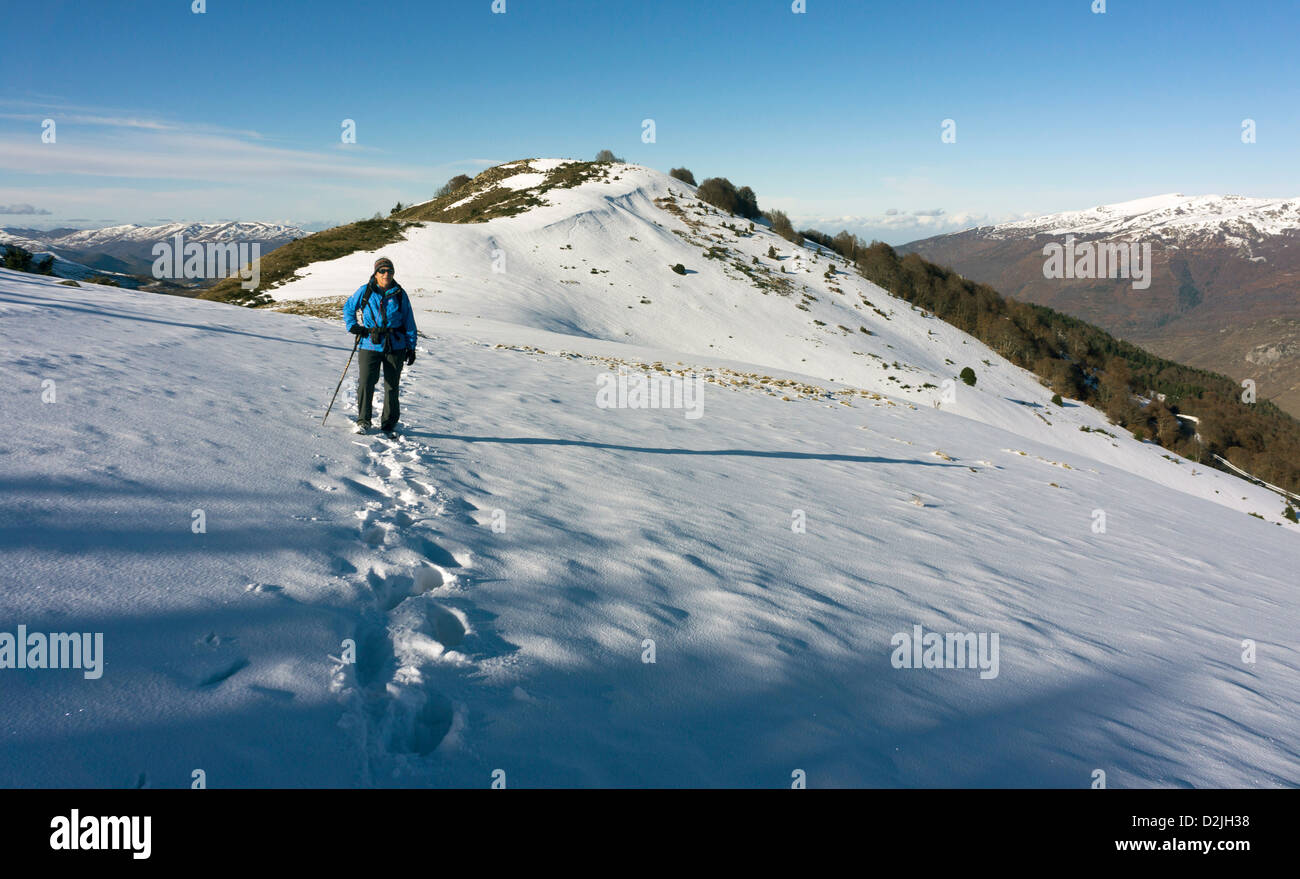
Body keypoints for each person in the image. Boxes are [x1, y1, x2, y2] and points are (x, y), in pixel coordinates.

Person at [343, 256, 418, 435]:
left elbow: (409, 320)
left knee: (392, 385)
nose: (386, 274)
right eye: (382, 271)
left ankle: (389, 423)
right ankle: (363, 421)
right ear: (375, 273)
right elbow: (348, 307)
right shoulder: (366, 290)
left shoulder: (400, 293)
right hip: (369, 343)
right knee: (366, 383)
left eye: (390, 271)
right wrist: (353, 326)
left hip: (396, 345)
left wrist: (411, 347)